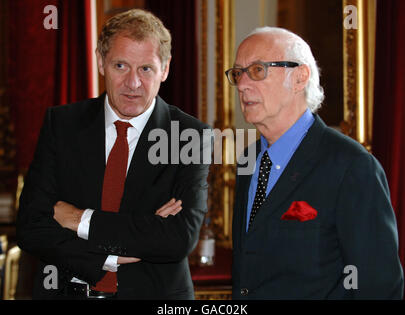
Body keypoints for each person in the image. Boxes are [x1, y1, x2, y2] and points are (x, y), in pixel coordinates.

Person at [16, 9, 210, 300]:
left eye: (146, 68)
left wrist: (79, 220)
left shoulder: (188, 136)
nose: (133, 83)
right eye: (121, 65)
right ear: (100, 62)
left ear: (165, 69)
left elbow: (177, 239)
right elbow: (31, 226)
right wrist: (110, 255)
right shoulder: (62, 124)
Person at [229, 26, 404, 299]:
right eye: (238, 73)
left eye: (258, 70)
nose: (242, 84)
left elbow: (378, 287)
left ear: (300, 77)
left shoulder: (352, 167)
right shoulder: (248, 161)